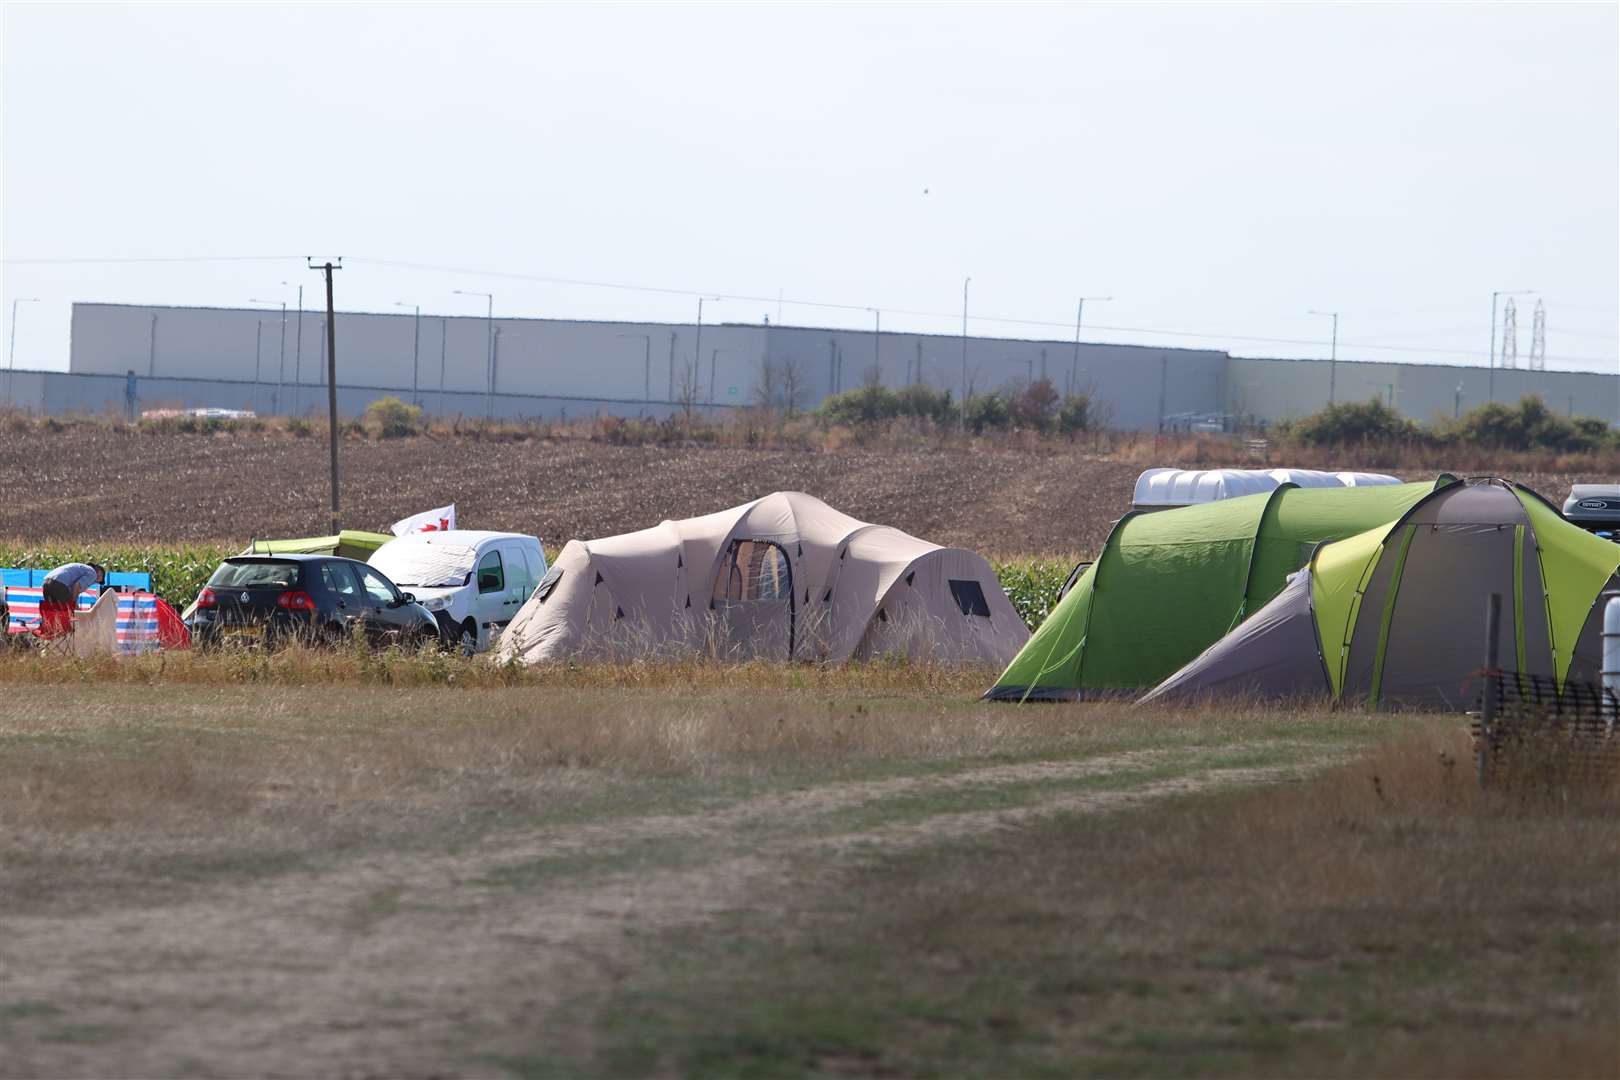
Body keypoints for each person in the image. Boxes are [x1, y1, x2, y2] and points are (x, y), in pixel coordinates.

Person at [38, 562, 104, 639]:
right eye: (96, 581)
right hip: (60, 585)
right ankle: (70, 638)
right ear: (99, 573)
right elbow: (77, 586)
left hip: (46, 583)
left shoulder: (80, 568)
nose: (92, 583)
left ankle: (49, 636)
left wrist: (75, 605)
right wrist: (74, 605)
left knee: (53, 614)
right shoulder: (93, 573)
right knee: (69, 614)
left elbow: (75, 589)